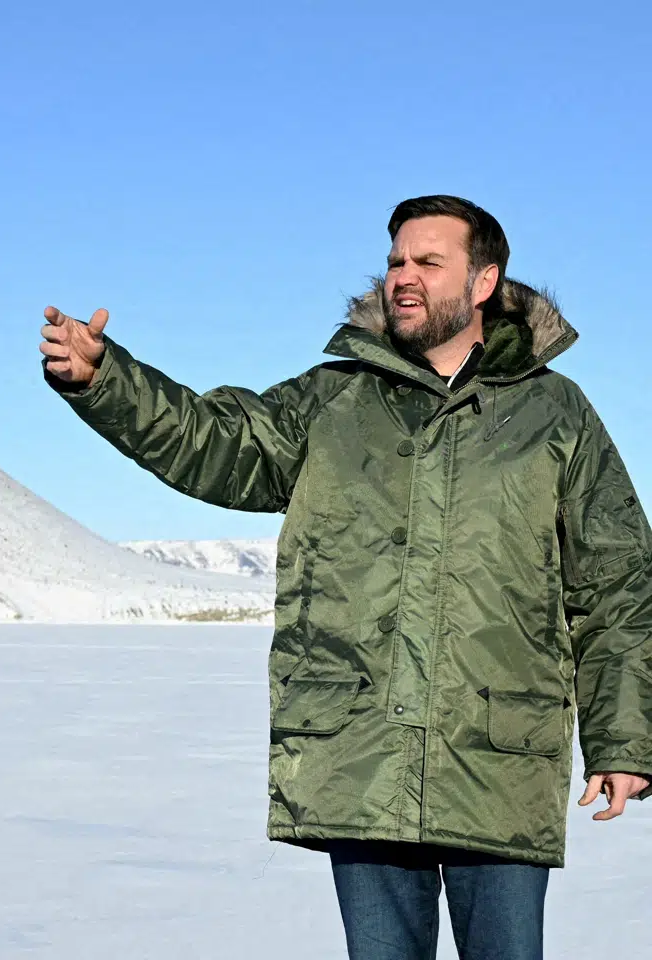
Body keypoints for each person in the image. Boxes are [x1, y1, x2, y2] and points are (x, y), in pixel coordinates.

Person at [41, 195, 652, 959]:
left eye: (429, 262)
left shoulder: (554, 414)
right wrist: (108, 381)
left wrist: (623, 740)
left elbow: (618, 584)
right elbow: (218, 446)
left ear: (484, 280)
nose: (404, 276)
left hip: (498, 753)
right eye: (397, 260)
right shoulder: (334, 399)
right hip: (360, 752)